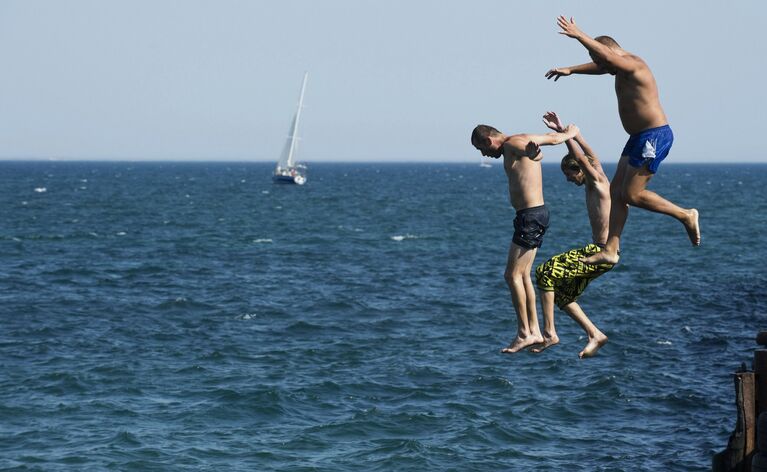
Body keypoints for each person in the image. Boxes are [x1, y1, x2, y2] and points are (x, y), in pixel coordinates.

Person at [546, 16, 700, 266]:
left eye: (601, 61)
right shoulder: (616, 67)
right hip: (638, 137)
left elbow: (606, 60)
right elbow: (603, 64)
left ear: (609, 53)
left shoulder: (634, 65)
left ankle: (685, 215)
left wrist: (579, 35)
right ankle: (610, 250)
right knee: (615, 192)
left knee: (631, 194)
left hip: (654, 136)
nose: (602, 68)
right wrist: (571, 69)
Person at [471, 121, 579, 354]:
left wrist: (570, 133)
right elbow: (539, 146)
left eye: (482, 149)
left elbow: (545, 143)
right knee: (522, 275)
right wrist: (538, 151)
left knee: (511, 275)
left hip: (530, 217)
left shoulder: (512, 143)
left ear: (489, 140)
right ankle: (537, 332)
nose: (484, 154)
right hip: (531, 215)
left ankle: (525, 333)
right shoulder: (517, 142)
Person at [532, 112, 613, 358]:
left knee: (544, 272)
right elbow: (591, 157)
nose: (569, 181)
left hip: (600, 252)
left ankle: (549, 333)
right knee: (561, 294)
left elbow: (583, 158)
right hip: (601, 251)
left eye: (570, 175)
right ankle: (594, 334)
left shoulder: (597, 182)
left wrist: (569, 135)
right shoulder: (598, 179)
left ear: (580, 171)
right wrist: (563, 131)